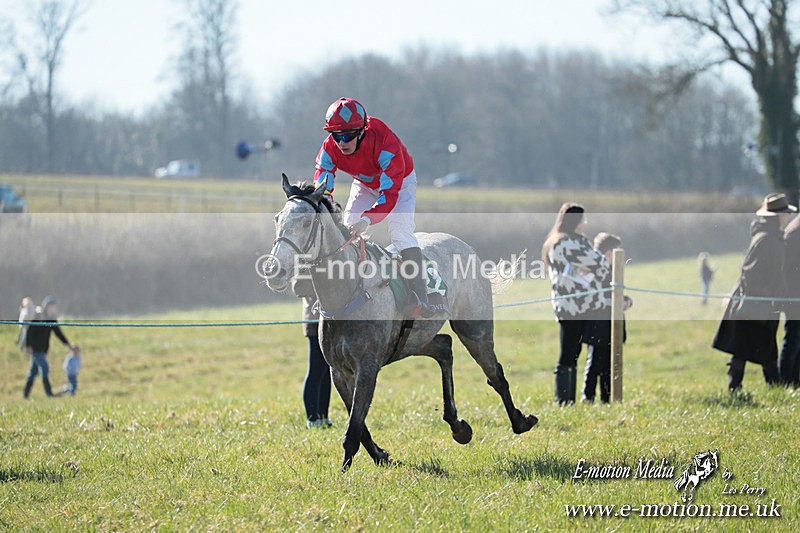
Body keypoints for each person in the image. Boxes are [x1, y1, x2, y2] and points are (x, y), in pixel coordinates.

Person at [313, 97, 444, 318]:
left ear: (362, 131)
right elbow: (322, 189)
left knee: (400, 232)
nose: (341, 142)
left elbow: (389, 196)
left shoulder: (385, 142)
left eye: (347, 136)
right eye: (336, 136)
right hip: (365, 184)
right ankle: (343, 292)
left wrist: (367, 220)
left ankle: (421, 294)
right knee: (346, 229)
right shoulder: (329, 148)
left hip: (400, 182)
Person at [713, 193, 796, 391]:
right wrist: (768, 297)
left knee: (750, 349)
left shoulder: (769, 236)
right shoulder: (767, 239)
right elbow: (752, 273)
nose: (787, 217)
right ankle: (773, 389)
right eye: (784, 214)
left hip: (759, 305)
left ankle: (748, 388)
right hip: (757, 305)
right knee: (761, 350)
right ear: (777, 216)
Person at [542, 203, 611, 405]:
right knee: (569, 353)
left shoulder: (576, 242)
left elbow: (598, 266)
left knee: (578, 352)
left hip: (586, 305)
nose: (585, 223)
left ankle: (571, 399)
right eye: (583, 219)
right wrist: (597, 265)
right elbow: (599, 264)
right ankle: (564, 400)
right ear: (576, 221)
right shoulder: (564, 244)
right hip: (572, 307)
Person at [582, 233, 632, 404]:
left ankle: (606, 398)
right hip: (598, 325)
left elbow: (618, 293)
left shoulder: (613, 272)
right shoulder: (595, 271)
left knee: (609, 365)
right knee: (595, 362)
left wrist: (626, 301)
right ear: (609, 253)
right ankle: (587, 397)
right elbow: (595, 297)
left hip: (612, 325)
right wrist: (615, 302)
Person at [292, 277, 332, 428]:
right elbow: (299, 287)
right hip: (315, 322)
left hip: (331, 321)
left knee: (327, 373)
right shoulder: (304, 262)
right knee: (316, 371)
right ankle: (312, 419)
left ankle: (323, 417)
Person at [24, 296, 77, 398]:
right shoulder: (38, 317)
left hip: (43, 349)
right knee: (45, 368)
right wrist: (28, 346)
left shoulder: (51, 319)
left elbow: (58, 333)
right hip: (35, 349)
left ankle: (25, 394)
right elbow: (29, 332)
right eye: (52, 307)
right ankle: (49, 394)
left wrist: (68, 345)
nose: (54, 309)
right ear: (47, 307)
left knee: (33, 372)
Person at [779, 211, 800, 386]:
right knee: (793, 339)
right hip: (794, 295)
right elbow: (788, 268)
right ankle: (787, 381)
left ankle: (794, 379)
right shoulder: (796, 230)